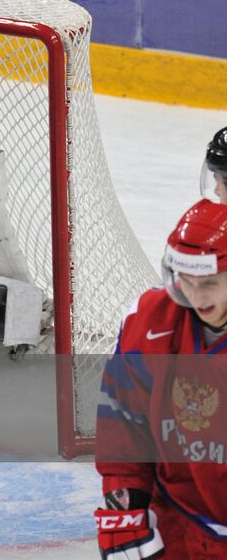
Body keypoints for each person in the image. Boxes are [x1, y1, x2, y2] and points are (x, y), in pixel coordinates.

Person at [96, 198, 227, 559]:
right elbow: (122, 420)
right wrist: (123, 510)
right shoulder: (151, 319)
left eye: (209, 282)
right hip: (177, 521)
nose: (195, 294)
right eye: (186, 279)